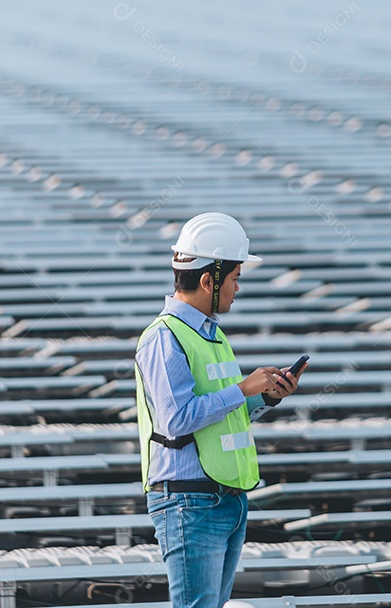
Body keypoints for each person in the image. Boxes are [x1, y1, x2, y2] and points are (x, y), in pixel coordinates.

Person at [134, 212, 304, 607]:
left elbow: (224, 413)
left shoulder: (213, 335)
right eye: (234, 278)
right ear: (209, 280)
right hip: (189, 501)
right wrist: (243, 387)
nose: (237, 288)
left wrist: (266, 396)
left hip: (225, 497)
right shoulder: (163, 338)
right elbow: (177, 420)